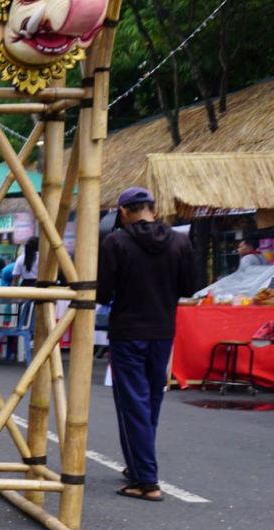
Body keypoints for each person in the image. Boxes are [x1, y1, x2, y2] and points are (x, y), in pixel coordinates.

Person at [97, 186, 197, 502]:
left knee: (133, 402)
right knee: (150, 400)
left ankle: (146, 481)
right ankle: (138, 466)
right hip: (163, 331)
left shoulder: (117, 241)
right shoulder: (180, 241)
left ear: (125, 212)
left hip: (127, 330)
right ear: (151, 208)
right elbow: (191, 286)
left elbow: (103, 292)